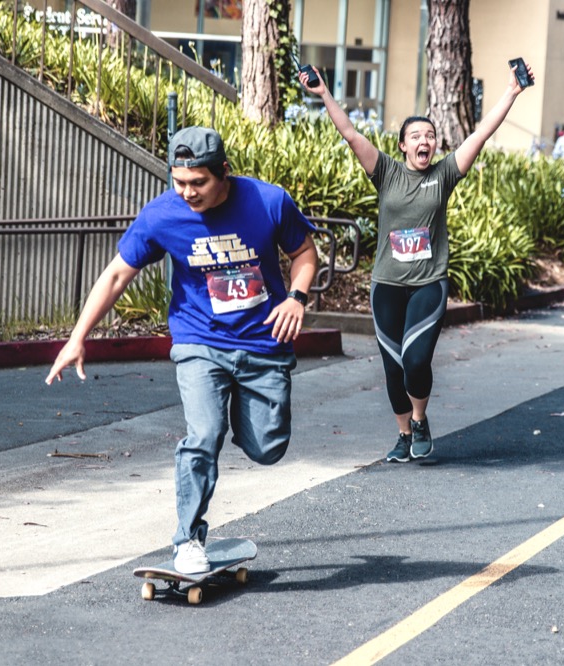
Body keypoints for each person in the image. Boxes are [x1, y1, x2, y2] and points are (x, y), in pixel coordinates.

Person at [44, 126, 319, 572]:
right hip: (199, 341)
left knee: (268, 447)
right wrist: (78, 338)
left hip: (262, 343)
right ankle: (188, 539)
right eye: (179, 181)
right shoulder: (161, 216)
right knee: (204, 435)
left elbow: (304, 252)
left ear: (224, 173)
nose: (188, 192)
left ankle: (238, 412)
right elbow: (116, 275)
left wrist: (296, 297)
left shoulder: (269, 202)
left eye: (199, 183)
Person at [299, 60, 534, 462]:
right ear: (403, 146)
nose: (424, 140)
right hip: (387, 285)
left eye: (430, 135)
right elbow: (350, 133)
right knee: (393, 369)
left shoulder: (444, 174)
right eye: (415, 136)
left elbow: (481, 132)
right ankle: (404, 434)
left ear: (435, 145)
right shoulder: (385, 172)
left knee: (416, 359)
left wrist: (511, 91)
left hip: (429, 283)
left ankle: (421, 420)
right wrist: (323, 94)